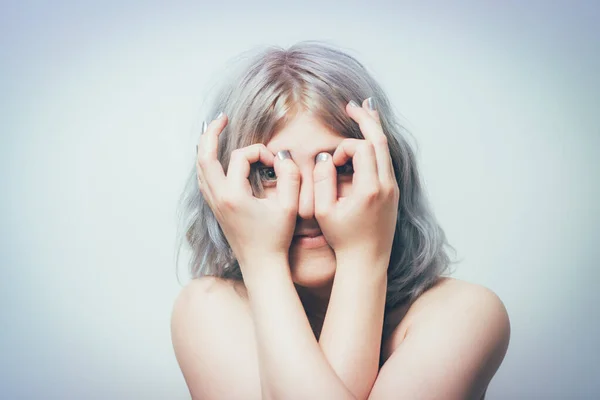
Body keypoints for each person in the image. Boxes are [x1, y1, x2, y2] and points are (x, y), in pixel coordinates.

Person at [171, 41, 511, 400]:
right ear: (222, 187)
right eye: (270, 173)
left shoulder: (463, 313)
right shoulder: (208, 308)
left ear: (389, 174)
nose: (306, 206)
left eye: (343, 167)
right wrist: (261, 261)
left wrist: (363, 255)